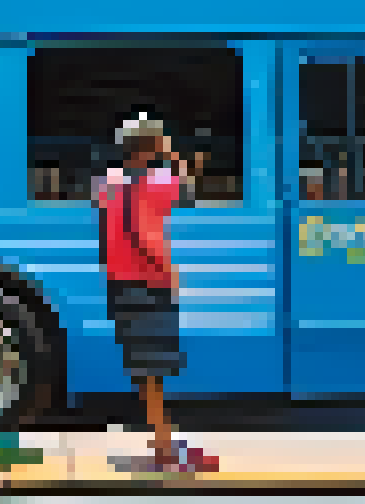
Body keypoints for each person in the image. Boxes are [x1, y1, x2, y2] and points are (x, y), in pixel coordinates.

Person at [94, 114, 216, 475]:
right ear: (151, 148)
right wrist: (165, 267)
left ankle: (160, 437)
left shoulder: (105, 183)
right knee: (155, 367)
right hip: (150, 282)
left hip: (119, 283)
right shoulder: (160, 182)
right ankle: (163, 446)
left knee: (144, 365)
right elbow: (190, 192)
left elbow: (106, 233)